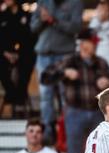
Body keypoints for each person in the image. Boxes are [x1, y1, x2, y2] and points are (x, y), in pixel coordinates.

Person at [41, 28, 109, 153]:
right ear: (83, 44)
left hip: (98, 113)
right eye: (90, 42)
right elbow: (45, 77)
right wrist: (64, 73)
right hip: (75, 112)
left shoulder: (101, 62)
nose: (93, 46)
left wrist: (108, 83)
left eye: (94, 43)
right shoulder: (69, 61)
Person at [31, 0, 83, 144]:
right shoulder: (43, 2)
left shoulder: (75, 3)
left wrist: (54, 19)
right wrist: (42, 20)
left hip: (65, 55)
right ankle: (48, 131)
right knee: (45, 96)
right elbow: (33, 27)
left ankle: (67, 130)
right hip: (44, 54)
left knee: (65, 95)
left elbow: (76, 27)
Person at [0, 0, 36, 118]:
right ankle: (11, 92)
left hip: (23, 53)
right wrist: (6, 52)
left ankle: (20, 92)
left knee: (28, 59)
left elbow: (30, 38)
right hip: (5, 53)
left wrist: (18, 54)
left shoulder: (26, 15)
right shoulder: (3, 15)